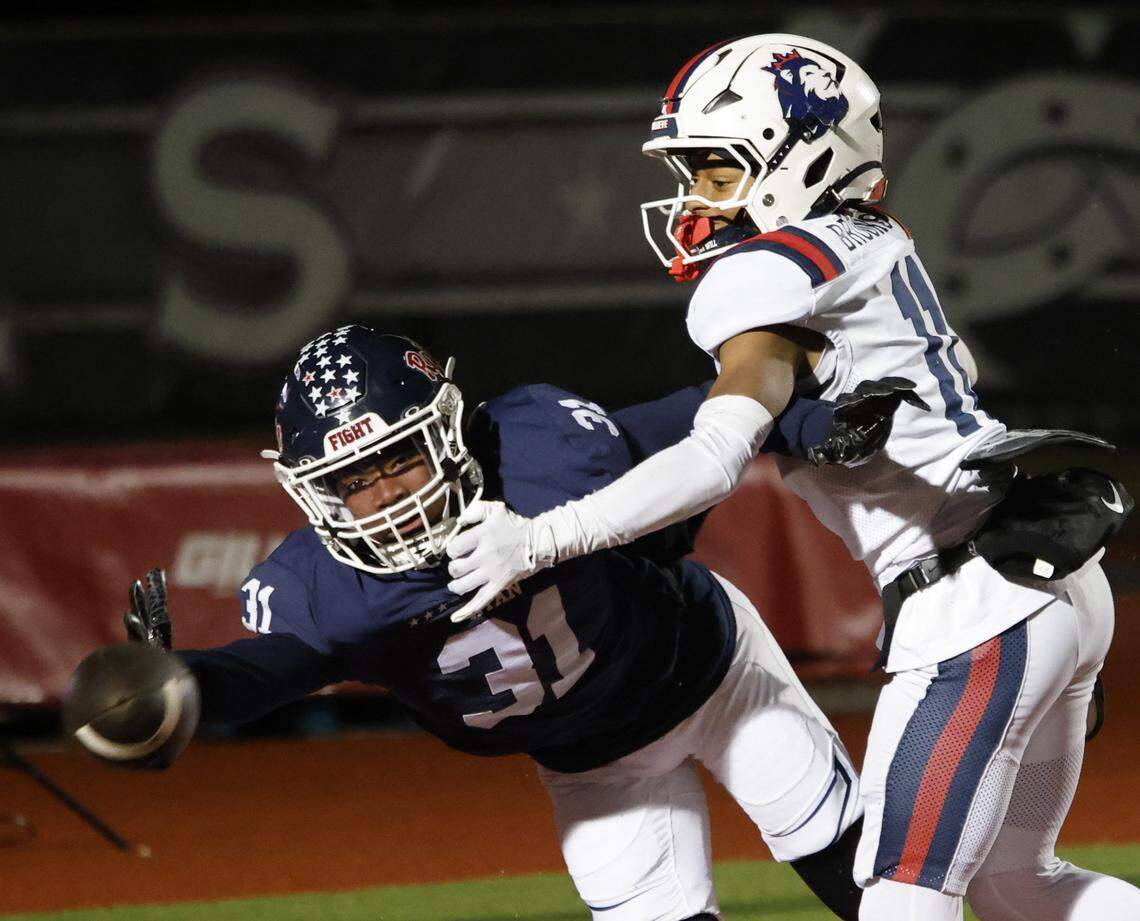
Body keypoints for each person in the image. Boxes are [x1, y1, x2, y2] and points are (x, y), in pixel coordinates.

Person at [443, 34, 1139, 921]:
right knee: (1016, 885)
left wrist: (540, 536)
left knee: (899, 899)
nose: (695, 199)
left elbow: (715, 453)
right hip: (1051, 576)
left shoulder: (767, 273)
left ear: (799, 156)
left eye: (717, 171)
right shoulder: (873, 237)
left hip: (976, 604)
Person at [102, 325, 917, 921]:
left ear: (451, 432)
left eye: (400, 458)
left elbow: (701, 421)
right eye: (356, 478)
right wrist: (180, 691)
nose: (387, 495)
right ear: (314, 493)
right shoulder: (330, 590)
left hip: (709, 672)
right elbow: (270, 671)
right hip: (591, 765)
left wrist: (811, 423)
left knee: (861, 881)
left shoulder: (536, 451)